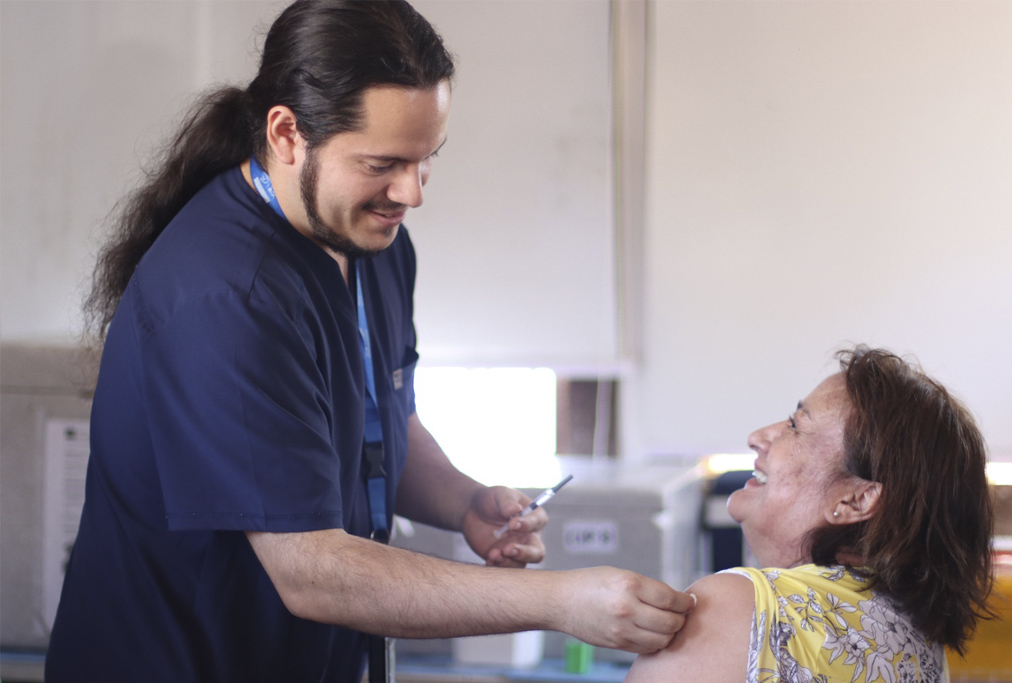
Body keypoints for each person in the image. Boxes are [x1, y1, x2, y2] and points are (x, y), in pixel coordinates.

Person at [44, 1, 695, 680]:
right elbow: (312, 571)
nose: (411, 192)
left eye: (426, 159)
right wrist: (559, 600)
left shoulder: (370, 241)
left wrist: (465, 501)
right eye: (384, 162)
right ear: (288, 133)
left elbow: (383, 424)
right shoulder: (226, 297)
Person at [626, 346, 995, 683]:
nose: (758, 436)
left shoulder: (737, 612)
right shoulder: (917, 639)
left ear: (856, 500)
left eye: (795, 425)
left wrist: (565, 603)